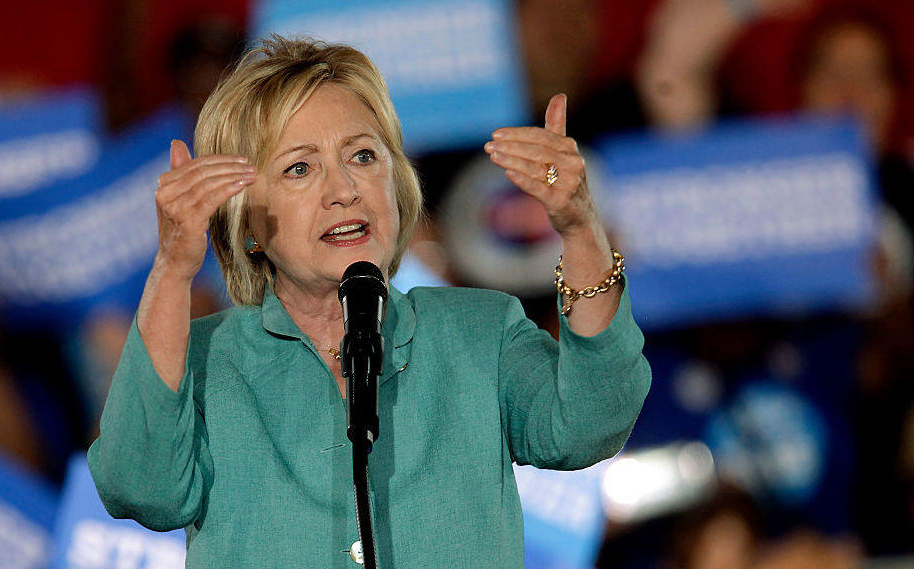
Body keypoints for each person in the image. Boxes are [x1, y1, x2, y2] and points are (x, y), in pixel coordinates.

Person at [87, 36, 651, 568]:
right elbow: (143, 488)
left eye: (362, 156)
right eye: (299, 168)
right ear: (246, 221)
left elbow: (587, 422)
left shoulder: (481, 333)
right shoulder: (208, 363)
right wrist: (174, 267)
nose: (344, 190)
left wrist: (579, 227)